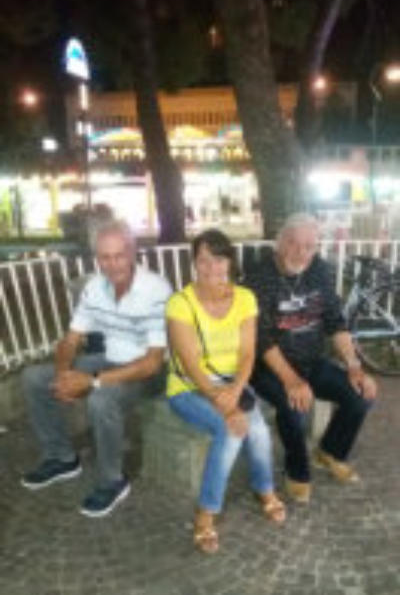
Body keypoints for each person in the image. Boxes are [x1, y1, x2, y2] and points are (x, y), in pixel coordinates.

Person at [22, 219, 172, 517]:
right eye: (104, 257)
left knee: (101, 399)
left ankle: (111, 480)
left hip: (150, 372)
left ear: (132, 253)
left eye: (119, 256)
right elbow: (71, 339)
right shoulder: (94, 287)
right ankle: (61, 457)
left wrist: (91, 380)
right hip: (110, 358)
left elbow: (153, 362)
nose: (112, 265)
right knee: (34, 378)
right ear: (96, 258)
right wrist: (63, 376)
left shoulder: (155, 289)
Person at [167, 229, 285, 554]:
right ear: (194, 263)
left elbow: (247, 354)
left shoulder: (245, 298)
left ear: (230, 261)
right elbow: (189, 364)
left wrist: (235, 391)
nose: (212, 267)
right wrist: (225, 405)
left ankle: (264, 487)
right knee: (231, 430)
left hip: (233, 383)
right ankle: (206, 512)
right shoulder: (180, 303)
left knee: (257, 429)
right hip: (189, 387)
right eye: (203, 260)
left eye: (219, 259)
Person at [246, 213, 377, 504]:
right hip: (268, 366)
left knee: (360, 395)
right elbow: (261, 337)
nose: (301, 252)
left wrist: (354, 366)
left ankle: (330, 452)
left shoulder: (320, 269)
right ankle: (297, 469)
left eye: (309, 245)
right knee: (294, 406)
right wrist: (291, 380)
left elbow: (335, 321)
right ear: (280, 242)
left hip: (311, 360)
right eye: (293, 243)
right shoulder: (259, 275)